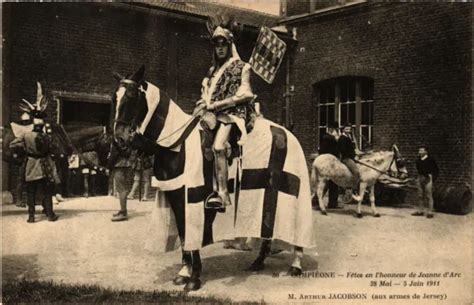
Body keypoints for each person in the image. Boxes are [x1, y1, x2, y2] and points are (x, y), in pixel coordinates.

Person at [195, 18, 256, 210]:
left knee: (219, 146)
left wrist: (217, 105)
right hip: (213, 114)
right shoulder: (212, 71)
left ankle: (222, 193)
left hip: (233, 114)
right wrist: (204, 102)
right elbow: (206, 95)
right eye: (216, 45)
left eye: (223, 45)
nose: (220, 49)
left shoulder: (242, 67)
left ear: (230, 45)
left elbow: (245, 93)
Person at [9, 117, 59, 223]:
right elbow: (54, 148)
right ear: (42, 127)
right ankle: (50, 215)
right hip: (45, 166)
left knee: (31, 192)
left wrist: (25, 147)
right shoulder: (48, 137)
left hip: (31, 165)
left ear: (33, 126)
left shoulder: (25, 135)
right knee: (47, 191)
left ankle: (31, 216)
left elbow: (12, 144)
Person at [107, 138, 132, 221]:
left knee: (121, 189)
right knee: (122, 189)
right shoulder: (127, 139)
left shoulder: (116, 140)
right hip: (126, 164)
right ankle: (122, 210)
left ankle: (123, 212)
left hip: (119, 165)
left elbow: (114, 154)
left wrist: (109, 167)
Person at [318, 121, 340, 208]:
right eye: (335, 129)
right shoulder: (327, 138)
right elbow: (323, 150)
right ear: (332, 129)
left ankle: (331, 202)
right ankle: (331, 202)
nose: (335, 130)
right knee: (329, 182)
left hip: (331, 161)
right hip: (329, 162)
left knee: (329, 182)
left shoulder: (328, 137)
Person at [413, 146, 439, 219]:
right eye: (419, 150)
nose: (419, 152)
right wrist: (418, 178)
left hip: (428, 179)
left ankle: (430, 212)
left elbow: (436, 170)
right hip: (420, 178)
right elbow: (418, 170)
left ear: (426, 152)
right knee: (420, 195)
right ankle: (420, 211)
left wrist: (432, 178)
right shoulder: (418, 160)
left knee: (428, 195)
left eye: (421, 150)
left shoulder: (431, 160)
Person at [337, 123, 361, 201]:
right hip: (346, 158)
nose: (348, 130)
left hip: (351, 157)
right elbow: (343, 150)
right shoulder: (342, 138)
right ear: (343, 130)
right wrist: (353, 154)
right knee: (356, 172)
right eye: (347, 129)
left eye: (349, 129)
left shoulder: (349, 137)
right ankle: (354, 191)